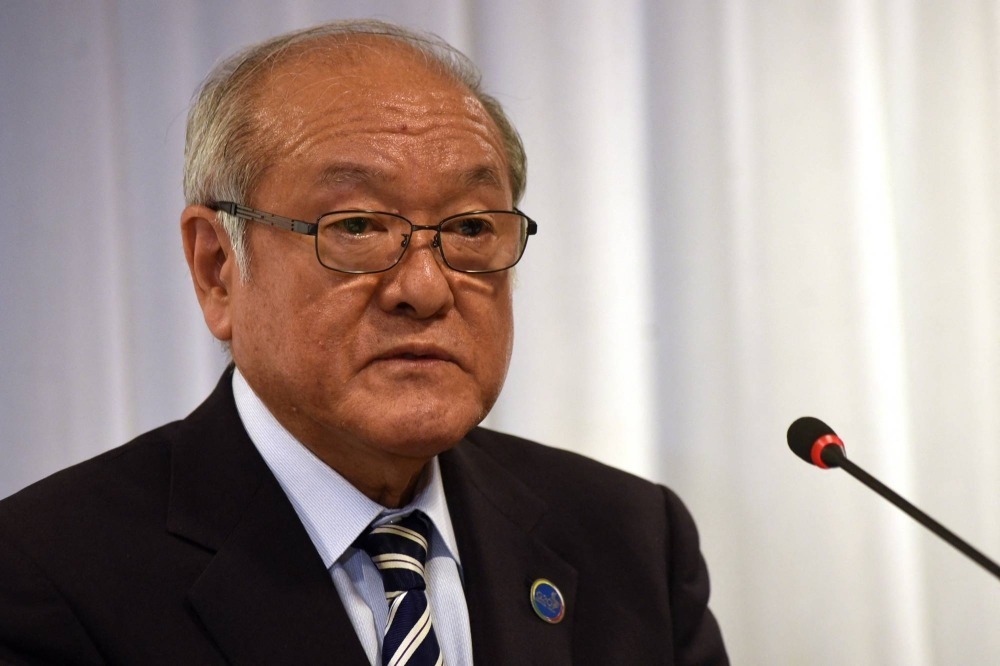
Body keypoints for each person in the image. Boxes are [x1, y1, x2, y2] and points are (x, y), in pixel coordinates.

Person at [0, 19, 728, 665]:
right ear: (217, 268)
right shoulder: (49, 572)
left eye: (471, 228)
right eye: (355, 226)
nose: (426, 288)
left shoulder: (630, 540)